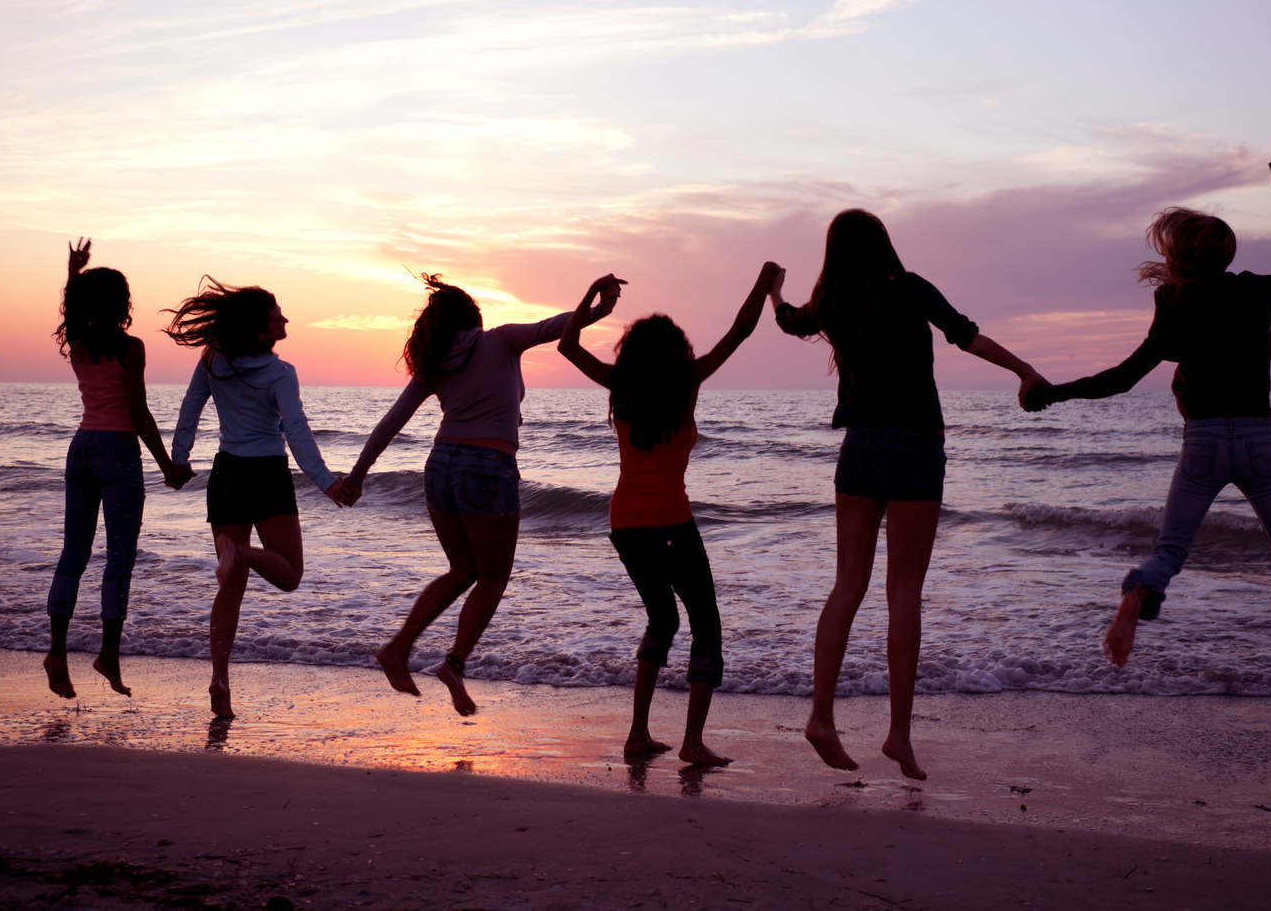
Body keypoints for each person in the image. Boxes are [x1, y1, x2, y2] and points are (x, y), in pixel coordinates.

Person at [1030, 147, 1271, 666]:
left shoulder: (1173, 306)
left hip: (1204, 443)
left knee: (1169, 553)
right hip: (1259, 440)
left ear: (1180, 256)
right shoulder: (1257, 291)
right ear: (1225, 254)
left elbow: (1121, 380)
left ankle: (1139, 595)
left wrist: (1052, 392)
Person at [772, 211, 1047, 781]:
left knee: (848, 584)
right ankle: (897, 734)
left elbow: (789, 321)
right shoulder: (910, 288)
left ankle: (821, 717)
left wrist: (774, 290)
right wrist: (1023, 369)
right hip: (914, 444)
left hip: (859, 446)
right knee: (904, 592)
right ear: (883, 244)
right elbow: (965, 334)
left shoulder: (832, 301)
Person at [331, 274, 615, 716]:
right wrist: (596, 308)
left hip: (440, 465)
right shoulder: (499, 342)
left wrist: (358, 474)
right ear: (475, 318)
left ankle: (398, 648)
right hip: (488, 467)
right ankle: (453, 664)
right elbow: (553, 326)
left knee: (463, 568)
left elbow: (393, 420)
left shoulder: (436, 362)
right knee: (493, 577)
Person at [556, 263, 782, 766]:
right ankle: (692, 743)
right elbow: (740, 332)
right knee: (705, 624)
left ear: (633, 352)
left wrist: (592, 294)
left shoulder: (621, 384)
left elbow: (567, 346)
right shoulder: (687, 381)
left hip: (625, 524)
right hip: (671, 523)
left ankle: (638, 735)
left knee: (662, 617)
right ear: (676, 351)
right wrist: (764, 281)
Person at [165, 279, 343, 719]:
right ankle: (240, 552)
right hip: (266, 476)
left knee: (231, 588)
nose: (285, 319)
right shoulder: (282, 374)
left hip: (226, 474)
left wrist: (180, 458)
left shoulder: (213, 360)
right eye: (277, 316)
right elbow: (297, 431)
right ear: (262, 333)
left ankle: (220, 679)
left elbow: (190, 407)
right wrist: (326, 482)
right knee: (291, 576)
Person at [43, 238, 187, 700]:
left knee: (74, 555)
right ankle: (108, 654)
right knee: (119, 558)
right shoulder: (130, 347)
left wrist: (71, 271)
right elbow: (139, 412)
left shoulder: (80, 341)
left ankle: (57, 653)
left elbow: (70, 309)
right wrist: (168, 466)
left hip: (80, 448)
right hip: (117, 451)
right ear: (123, 304)